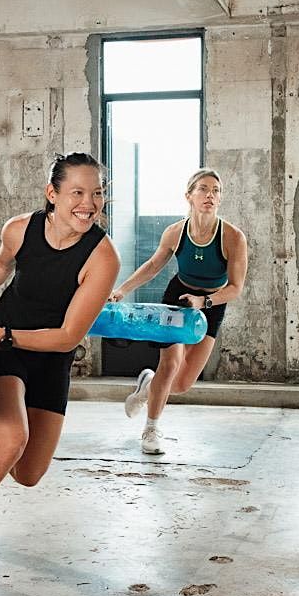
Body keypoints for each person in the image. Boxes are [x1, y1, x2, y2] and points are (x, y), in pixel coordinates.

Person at [0, 152, 119, 587]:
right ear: (53, 194)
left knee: (28, 473)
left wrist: (4, 334)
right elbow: (0, 265)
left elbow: (68, 336)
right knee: (12, 439)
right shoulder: (20, 229)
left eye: (97, 194)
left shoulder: (102, 257)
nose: (88, 204)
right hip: (2, 350)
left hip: (46, 354)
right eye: (78, 192)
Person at [108, 168, 248, 454]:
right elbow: (153, 266)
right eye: (203, 189)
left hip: (212, 303)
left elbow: (235, 288)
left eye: (216, 191)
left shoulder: (233, 237)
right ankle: (151, 429)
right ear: (189, 196)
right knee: (169, 366)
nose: (210, 195)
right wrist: (122, 290)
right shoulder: (175, 232)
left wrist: (204, 301)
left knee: (182, 383)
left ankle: (148, 386)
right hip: (178, 299)